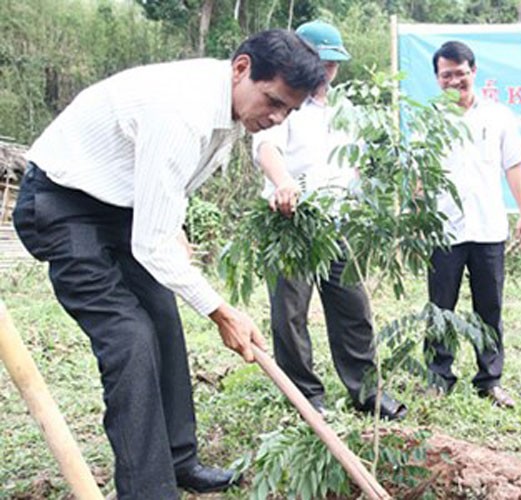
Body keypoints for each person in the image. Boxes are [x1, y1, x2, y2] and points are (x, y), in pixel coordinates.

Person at [12, 30, 325, 500]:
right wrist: (222, 311)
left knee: (162, 318)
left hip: (121, 207)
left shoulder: (230, 109)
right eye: (273, 101)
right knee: (129, 337)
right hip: (60, 204)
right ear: (242, 68)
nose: (277, 117)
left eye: (289, 111)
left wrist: (171, 223)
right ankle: (147, 491)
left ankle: (179, 460)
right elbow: (153, 245)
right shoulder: (184, 110)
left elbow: (165, 194)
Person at [253, 20, 407, 420]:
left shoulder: (346, 109)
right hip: (291, 222)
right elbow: (266, 148)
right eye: (320, 63)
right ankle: (306, 398)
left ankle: (367, 393)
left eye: (333, 65)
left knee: (353, 308)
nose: (325, 73)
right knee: (290, 314)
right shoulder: (282, 101)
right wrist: (284, 183)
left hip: (338, 223)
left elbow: (354, 163)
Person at [425, 41, 521, 408]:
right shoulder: (430, 119)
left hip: (488, 229)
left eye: (460, 72)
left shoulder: (499, 115)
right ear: (437, 79)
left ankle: (490, 379)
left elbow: (513, 166)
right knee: (440, 307)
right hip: (443, 230)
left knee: (490, 307)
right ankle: (438, 377)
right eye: (446, 75)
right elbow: (421, 176)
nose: (455, 80)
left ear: (473, 71)